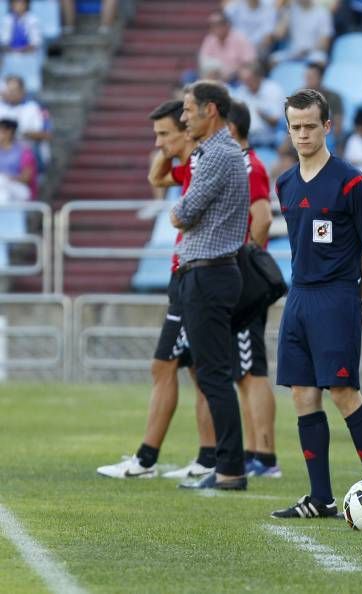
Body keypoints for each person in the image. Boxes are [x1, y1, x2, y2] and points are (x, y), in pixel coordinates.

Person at [271, 89, 362, 519]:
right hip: (298, 296)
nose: (302, 134)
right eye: (295, 126)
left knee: (342, 391)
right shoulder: (283, 183)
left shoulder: (352, 182)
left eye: (310, 126)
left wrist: (359, 296)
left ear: (327, 127)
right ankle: (320, 499)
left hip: (337, 296)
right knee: (302, 393)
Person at [97, 100, 216, 480]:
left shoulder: (201, 167)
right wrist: (168, 149)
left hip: (193, 277)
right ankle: (209, 457)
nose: (158, 141)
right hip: (186, 276)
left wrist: (177, 149)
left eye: (164, 133)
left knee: (163, 365)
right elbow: (156, 178)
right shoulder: (190, 167)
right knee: (199, 371)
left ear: (187, 130)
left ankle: (145, 460)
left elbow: (171, 197)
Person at [170, 81, 250, 491]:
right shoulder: (216, 152)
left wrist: (178, 212)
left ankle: (231, 469)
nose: (184, 117)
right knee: (213, 373)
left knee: (214, 376)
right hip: (209, 272)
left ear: (211, 110)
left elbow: (183, 213)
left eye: (188, 109)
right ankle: (228, 465)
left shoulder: (217, 154)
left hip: (209, 272)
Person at [226, 100, 281, 478]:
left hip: (244, 279)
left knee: (252, 368)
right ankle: (253, 450)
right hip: (235, 277)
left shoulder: (250, 166)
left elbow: (261, 218)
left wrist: (246, 266)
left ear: (230, 128)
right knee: (243, 371)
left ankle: (266, 455)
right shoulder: (239, 165)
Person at [231, 63, 285, 148]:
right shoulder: (241, 91)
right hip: (246, 138)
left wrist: (264, 115)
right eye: (243, 80)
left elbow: (277, 122)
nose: (246, 84)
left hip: (269, 139)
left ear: (258, 76)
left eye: (249, 79)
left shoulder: (273, 90)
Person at [198, 12, 257, 84]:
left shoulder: (240, 38)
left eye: (219, 25)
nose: (216, 28)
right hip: (215, 76)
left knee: (245, 74)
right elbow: (203, 60)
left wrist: (234, 72)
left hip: (235, 76)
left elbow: (250, 62)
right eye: (213, 26)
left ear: (227, 25)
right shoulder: (210, 39)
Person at [270, 0, 333, 66]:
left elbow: (325, 44)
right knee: (273, 59)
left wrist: (307, 51)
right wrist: (287, 11)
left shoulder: (323, 12)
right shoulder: (290, 10)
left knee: (321, 59)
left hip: (312, 53)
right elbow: (278, 35)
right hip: (291, 53)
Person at [0, 117, 36, 203]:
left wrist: (6, 179)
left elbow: (26, 178)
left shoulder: (24, 151)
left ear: (8, 132)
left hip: (19, 189)